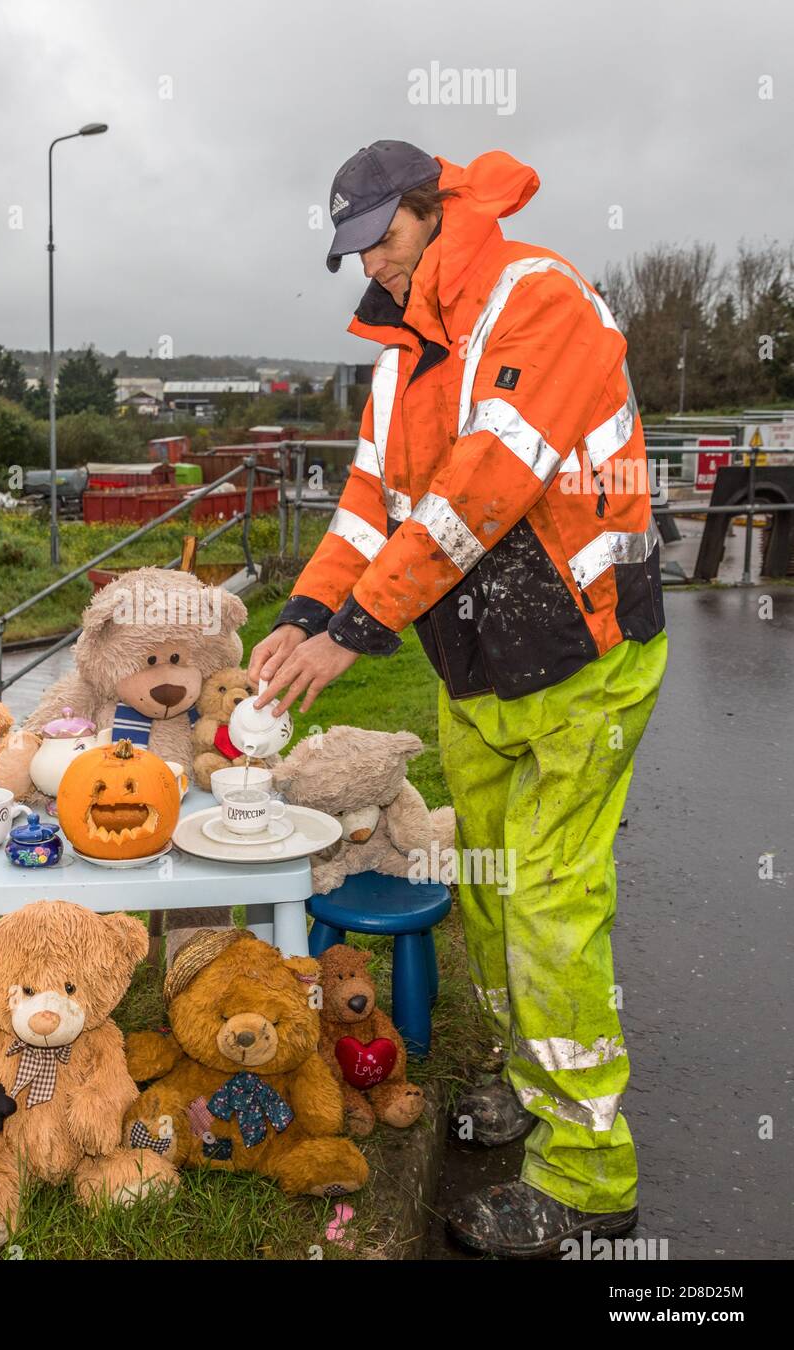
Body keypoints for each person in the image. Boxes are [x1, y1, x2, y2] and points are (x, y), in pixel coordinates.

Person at [249, 140, 667, 1258]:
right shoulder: (398, 362)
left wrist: (360, 627)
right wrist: (302, 613)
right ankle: (533, 1088)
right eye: (353, 250)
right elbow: (363, 511)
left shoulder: (539, 298)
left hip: (584, 653)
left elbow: (489, 482)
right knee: (485, 890)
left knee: (547, 907)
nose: (372, 266)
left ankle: (588, 1180)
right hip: (477, 667)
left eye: (383, 236)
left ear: (433, 211)